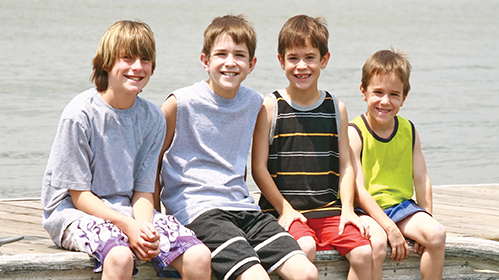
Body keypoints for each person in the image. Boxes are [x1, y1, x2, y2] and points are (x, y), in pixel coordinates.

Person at [41, 20, 211, 280]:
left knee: (198, 257)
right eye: (127, 58)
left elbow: (143, 191)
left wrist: (142, 228)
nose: (137, 67)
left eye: (145, 59)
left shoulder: (153, 118)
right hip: (72, 213)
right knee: (120, 256)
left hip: (129, 211)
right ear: (107, 62)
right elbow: (79, 196)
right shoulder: (79, 114)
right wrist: (128, 227)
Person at [157, 14, 318, 280]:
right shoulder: (180, 103)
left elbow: (249, 164)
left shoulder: (254, 103)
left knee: (307, 273)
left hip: (243, 207)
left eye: (239, 55)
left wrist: (285, 208)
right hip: (199, 210)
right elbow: (151, 162)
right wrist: (153, 216)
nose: (230, 62)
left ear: (252, 64)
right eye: (221, 54)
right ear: (204, 60)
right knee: (256, 277)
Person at [251, 15, 372, 280]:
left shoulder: (335, 108)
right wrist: (284, 209)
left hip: (329, 210)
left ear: (324, 60)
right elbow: (258, 168)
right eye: (293, 58)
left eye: (310, 57)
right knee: (305, 247)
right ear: (281, 60)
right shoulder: (270, 107)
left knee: (364, 253)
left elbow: (346, 165)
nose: (301, 66)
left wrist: (349, 210)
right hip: (285, 211)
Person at [348, 49, 446, 280]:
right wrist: (389, 228)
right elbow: (358, 191)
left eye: (394, 94)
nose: (385, 101)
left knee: (437, 234)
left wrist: (427, 214)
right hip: (366, 211)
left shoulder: (408, 130)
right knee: (378, 245)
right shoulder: (355, 131)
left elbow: (422, 180)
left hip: (401, 207)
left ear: (404, 97)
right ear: (363, 92)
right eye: (378, 92)